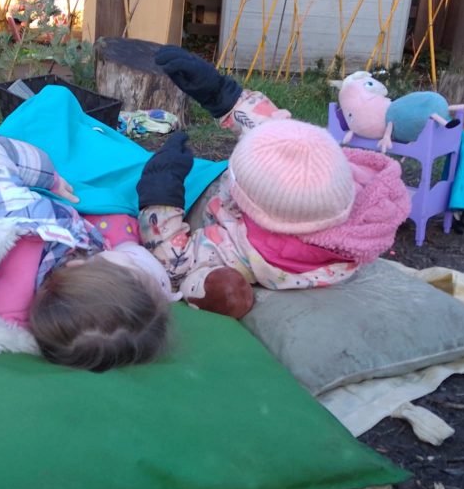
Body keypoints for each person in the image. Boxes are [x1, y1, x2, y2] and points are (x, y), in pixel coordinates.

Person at [135, 47, 412, 319]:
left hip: (215, 234)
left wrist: (160, 194)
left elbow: (174, 261)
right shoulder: (331, 180)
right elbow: (271, 133)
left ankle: (214, 291)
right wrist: (221, 93)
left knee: (198, 276)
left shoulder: (245, 246)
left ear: (248, 203)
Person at [0, 134, 180, 371]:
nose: (132, 256)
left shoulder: (11, 219)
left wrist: (47, 176)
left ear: (77, 265)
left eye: (128, 263)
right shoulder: (25, 324)